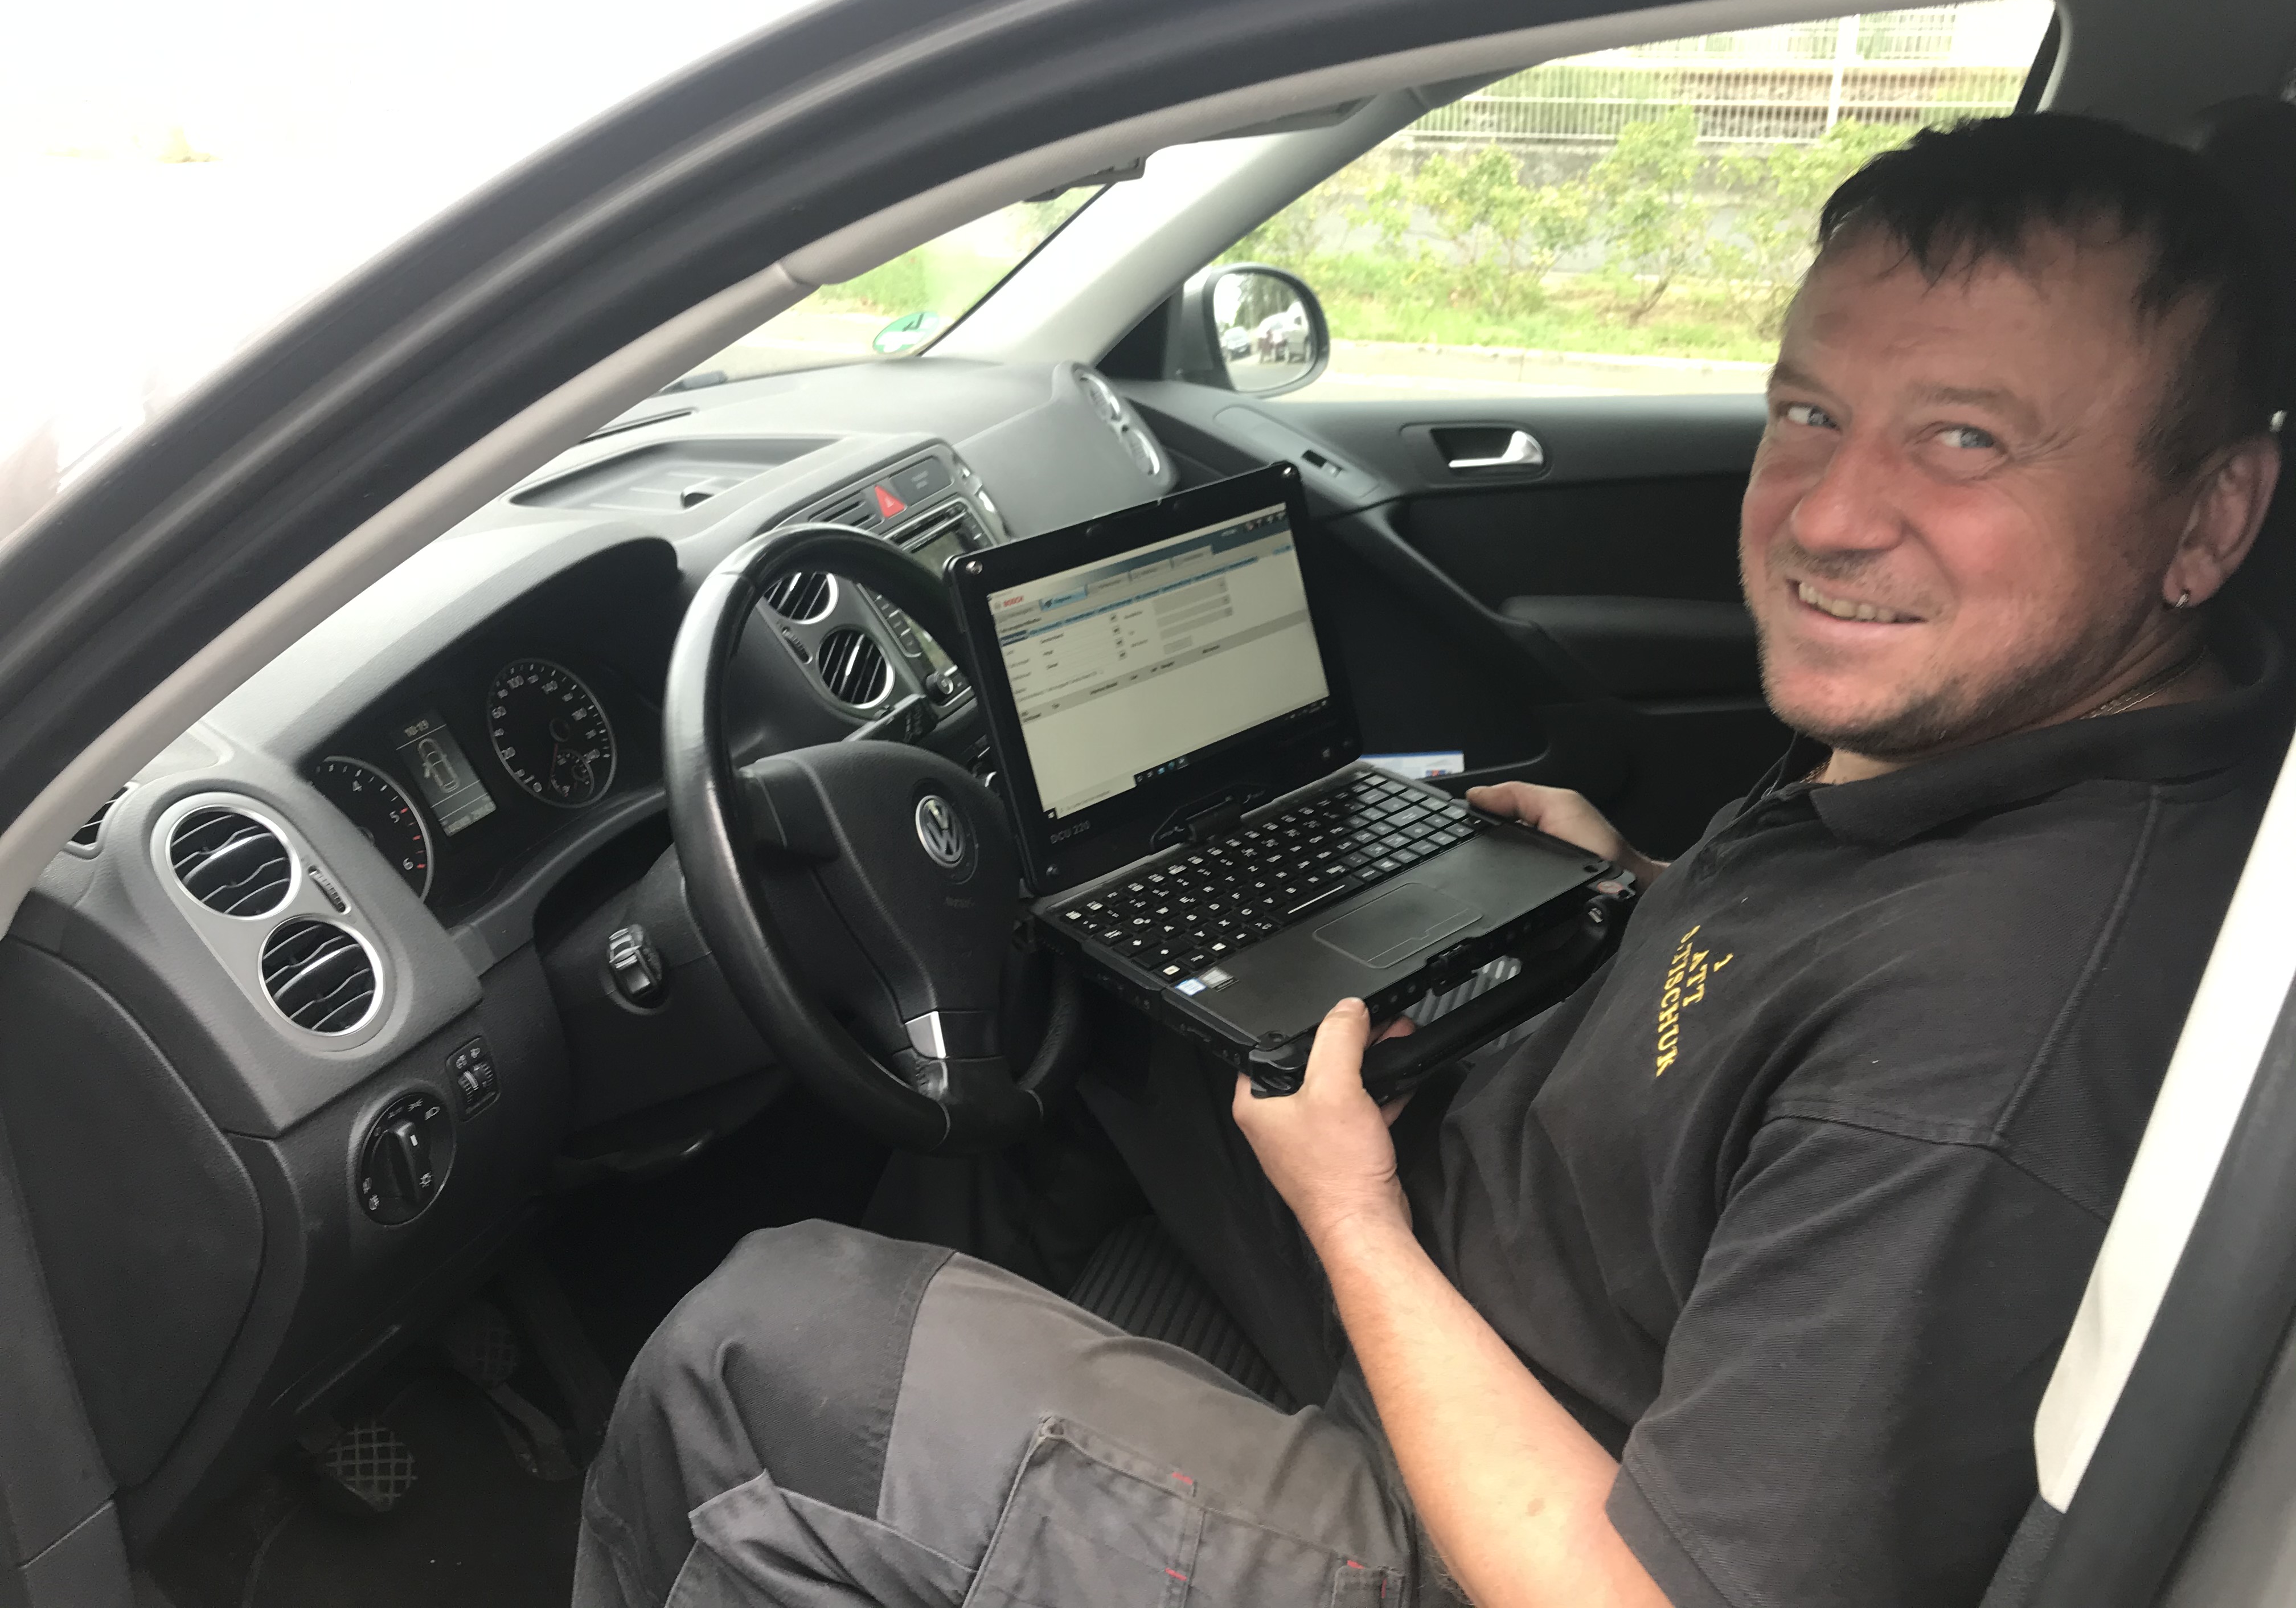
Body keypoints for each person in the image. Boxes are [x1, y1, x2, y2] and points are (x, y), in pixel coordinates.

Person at [571, 112, 2293, 1608]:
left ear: (2210, 517)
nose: (1831, 516)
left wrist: (1358, 1223)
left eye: (1967, 439)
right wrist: (1643, 892)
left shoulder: (1991, 1056)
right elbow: (1802, 999)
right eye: (1809, 411)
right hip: (1492, 1231)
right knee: (1089, 1030)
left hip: (1480, 1522)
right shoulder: (2027, 743)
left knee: (761, 1349)